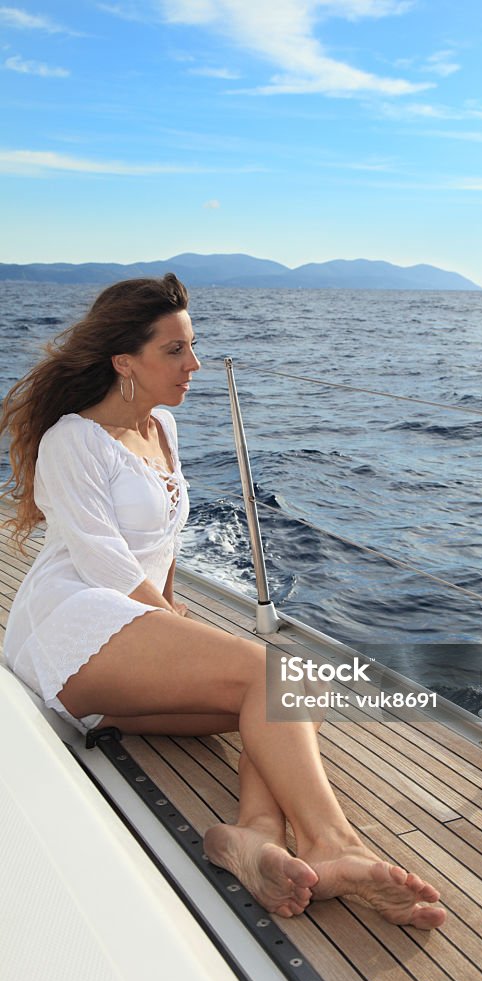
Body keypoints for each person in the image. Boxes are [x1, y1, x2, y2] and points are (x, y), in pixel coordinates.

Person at [0, 274, 446, 929]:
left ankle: (251, 836)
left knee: (301, 689)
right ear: (125, 362)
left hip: (133, 627)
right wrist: (171, 625)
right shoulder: (74, 438)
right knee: (277, 675)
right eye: (175, 351)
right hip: (72, 629)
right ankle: (333, 845)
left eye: (194, 346)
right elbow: (106, 565)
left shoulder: (164, 428)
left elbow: (164, 539)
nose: (195, 365)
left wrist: (176, 613)